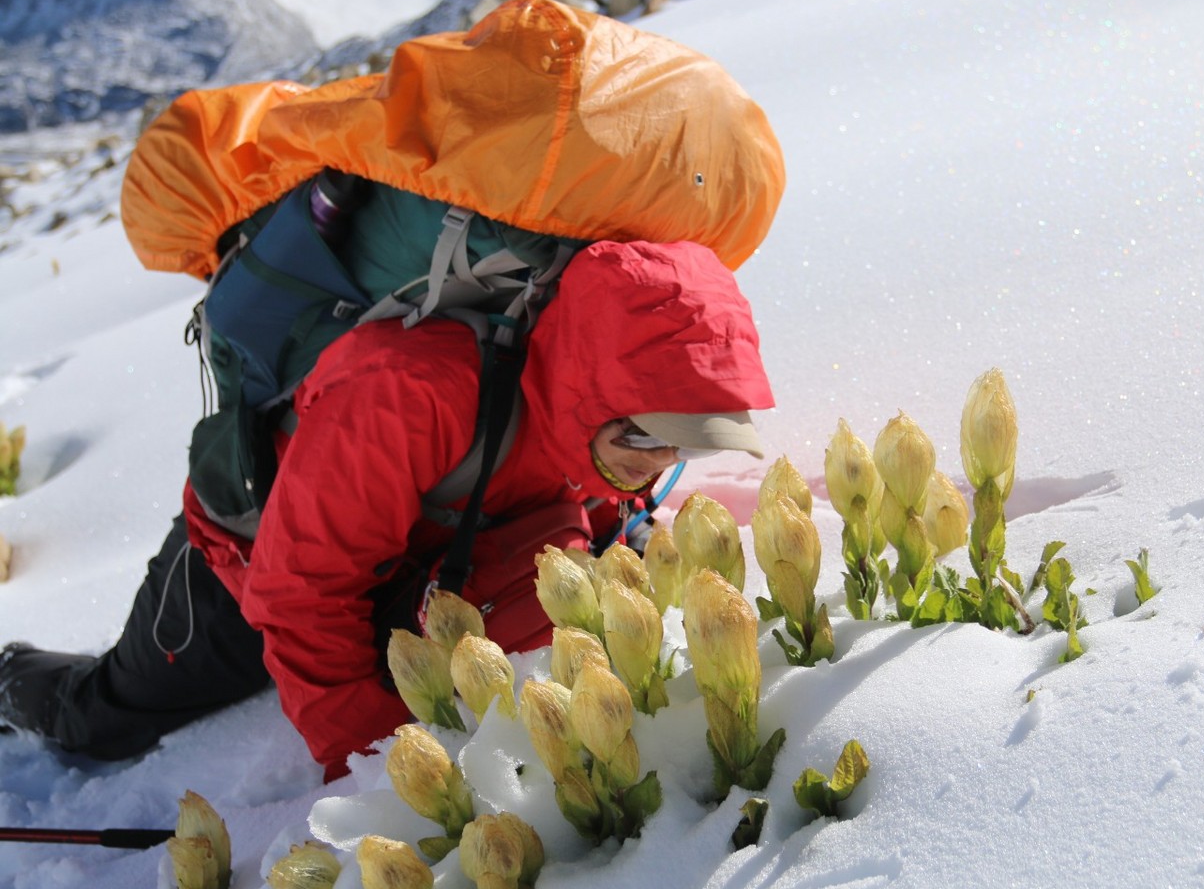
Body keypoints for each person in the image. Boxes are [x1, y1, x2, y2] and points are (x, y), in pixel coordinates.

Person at [0, 238, 775, 780]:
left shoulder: (593, 423)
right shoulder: (408, 396)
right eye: (646, 432)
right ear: (587, 382)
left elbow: (585, 502)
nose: (659, 461)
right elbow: (298, 595)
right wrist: (383, 769)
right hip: (243, 561)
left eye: (686, 443)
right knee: (106, 716)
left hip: (408, 558)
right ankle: (11, 676)